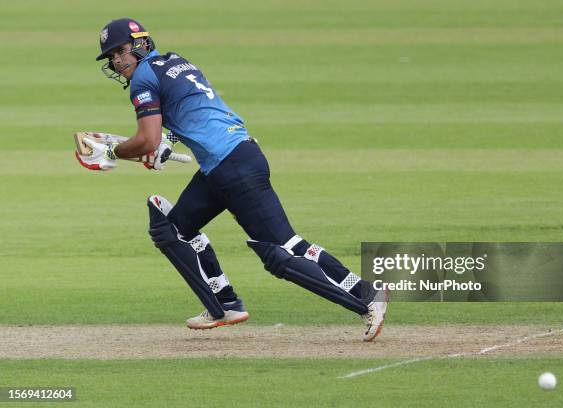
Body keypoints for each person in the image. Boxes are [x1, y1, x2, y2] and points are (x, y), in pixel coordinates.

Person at [77, 18, 388, 341]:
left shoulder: (143, 78)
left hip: (233, 166)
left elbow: (147, 141)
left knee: (282, 252)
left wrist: (113, 152)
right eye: (111, 56)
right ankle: (224, 303)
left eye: (120, 51)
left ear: (140, 44)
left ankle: (366, 296)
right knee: (171, 228)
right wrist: (167, 141)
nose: (116, 60)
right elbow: (189, 112)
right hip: (226, 161)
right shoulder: (174, 61)